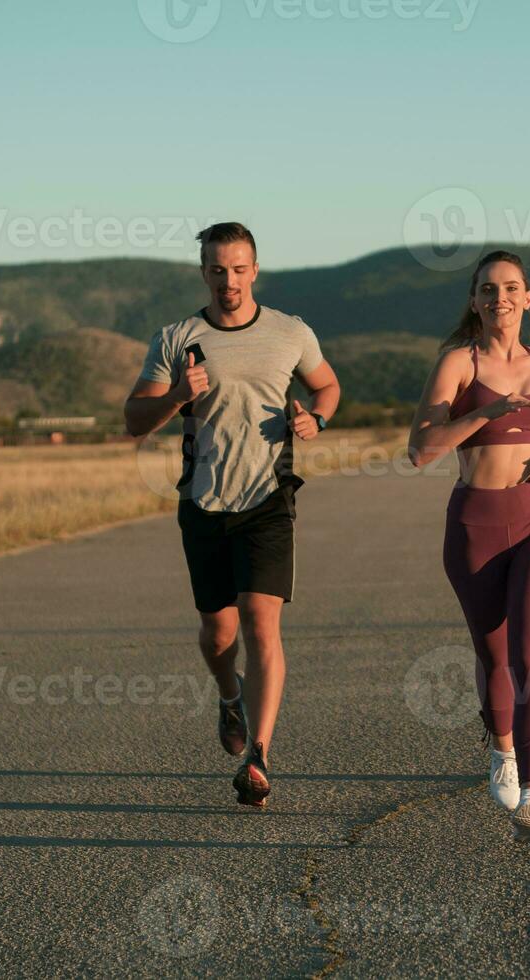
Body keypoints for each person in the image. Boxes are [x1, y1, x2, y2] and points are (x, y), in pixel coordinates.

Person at [124, 221, 340, 808]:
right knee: (219, 633)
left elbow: (327, 387)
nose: (229, 281)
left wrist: (314, 420)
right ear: (204, 273)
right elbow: (134, 421)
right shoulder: (176, 338)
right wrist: (175, 397)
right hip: (202, 502)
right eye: (217, 270)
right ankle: (228, 695)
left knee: (258, 622)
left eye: (239, 269)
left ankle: (260, 756)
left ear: (255, 271)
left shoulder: (291, 333)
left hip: (269, 500)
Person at [407, 250, 530, 841]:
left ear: (528, 298)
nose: (499, 298)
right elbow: (422, 448)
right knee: (493, 656)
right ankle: (502, 750)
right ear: (475, 300)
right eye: (487, 289)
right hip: (475, 523)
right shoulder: (457, 363)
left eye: (511, 288)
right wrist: (490, 413)